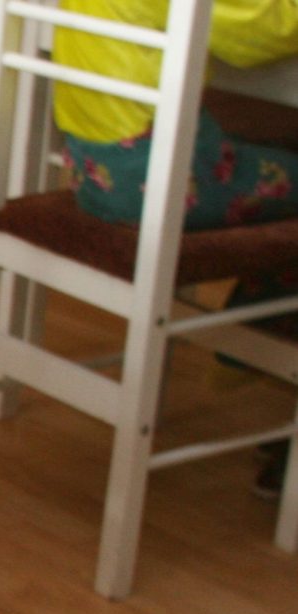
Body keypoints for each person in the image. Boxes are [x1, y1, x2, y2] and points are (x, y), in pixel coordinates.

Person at [51, 0, 298, 497]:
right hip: (159, 179)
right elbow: (253, 36)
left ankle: (249, 341)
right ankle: (253, 340)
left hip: (90, 173)